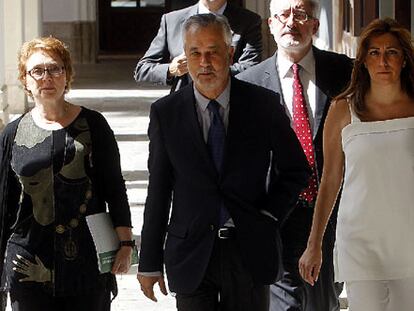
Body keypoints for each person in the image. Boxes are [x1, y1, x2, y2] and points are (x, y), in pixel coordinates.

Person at [137, 13, 311, 311]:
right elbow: (159, 190)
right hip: (191, 251)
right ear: (185, 57)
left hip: (249, 249)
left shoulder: (263, 104)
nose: (205, 62)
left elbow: (295, 169)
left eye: (213, 52)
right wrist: (149, 262)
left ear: (229, 54)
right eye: (195, 53)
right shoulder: (166, 113)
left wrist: (269, 214)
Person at [0, 37, 134, 311]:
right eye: (37, 71)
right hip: (27, 262)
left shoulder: (93, 125)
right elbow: (3, 205)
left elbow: (114, 188)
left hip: (86, 258)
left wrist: (126, 242)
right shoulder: (12, 134)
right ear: (25, 80)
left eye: (55, 69)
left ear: (67, 75)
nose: (46, 77)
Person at [236, 0, 353, 310]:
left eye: (300, 14)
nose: (291, 22)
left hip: (332, 213)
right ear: (271, 24)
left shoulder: (346, 73)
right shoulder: (249, 83)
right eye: (283, 15)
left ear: (314, 24)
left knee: (324, 301)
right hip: (279, 213)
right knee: (283, 303)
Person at [299, 18, 414, 311]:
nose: (383, 60)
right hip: (360, 239)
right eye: (374, 52)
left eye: (392, 52)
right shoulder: (342, 109)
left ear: (404, 60)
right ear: (362, 61)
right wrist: (314, 244)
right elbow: (330, 179)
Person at [134, 0, 263, 92]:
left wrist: (208, 71)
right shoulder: (172, 20)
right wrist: (171, 69)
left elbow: (251, 68)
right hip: (184, 108)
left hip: (232, 103)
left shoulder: (249, 21)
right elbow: (142, 70)